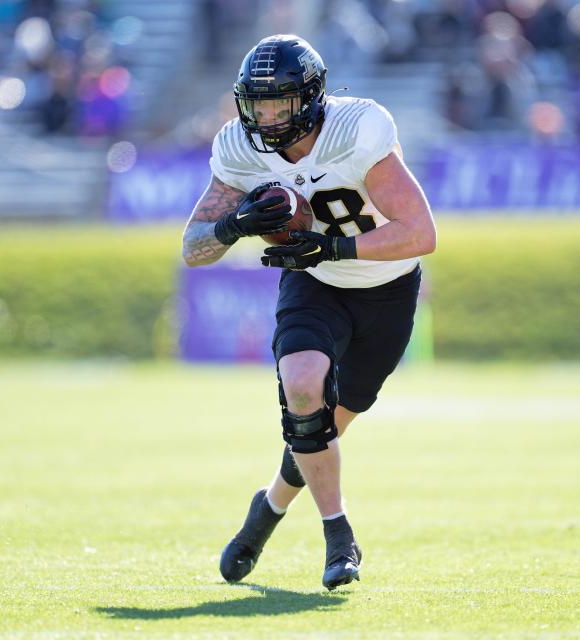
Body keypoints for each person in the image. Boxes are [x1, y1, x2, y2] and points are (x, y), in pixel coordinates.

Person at [181, 34, 436, 590]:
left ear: (313, 99)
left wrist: (333, 246)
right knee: (302, 389)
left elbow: (420, 233)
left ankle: (266, 510)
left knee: (320, 430)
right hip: (314, 281)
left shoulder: (356, 131)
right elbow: (193, 247)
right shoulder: (240, 148)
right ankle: (338, 534)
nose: (268, 118)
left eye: (281, 104)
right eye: (258, 105)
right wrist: (234, 226)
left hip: (385, 290)